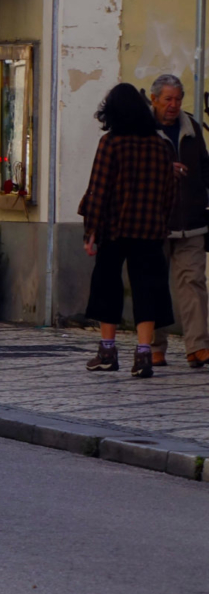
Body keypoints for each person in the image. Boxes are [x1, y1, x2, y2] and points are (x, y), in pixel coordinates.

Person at [80, 82, 179, 377]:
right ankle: (144, 353)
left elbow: (98, 190)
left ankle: (107, 351)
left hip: (115, 228)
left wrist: (91, 230)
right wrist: (161, 222)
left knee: (108, 287)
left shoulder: (111, 143)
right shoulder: (160, 146)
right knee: (147, 290)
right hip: (149, 230)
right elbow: (169, 192)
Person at [150, 74, 209, 368]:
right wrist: (164, 169)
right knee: (154, 286)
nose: (173, 105)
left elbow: (204, 169)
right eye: (167, 99)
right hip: (153, 222)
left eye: (177, 99)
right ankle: (154, 347)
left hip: (192, 222)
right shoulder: (143, 130)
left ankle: (198, 346)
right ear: (154, 100)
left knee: (194, 283)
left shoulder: (192, 128)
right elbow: (135, 170)